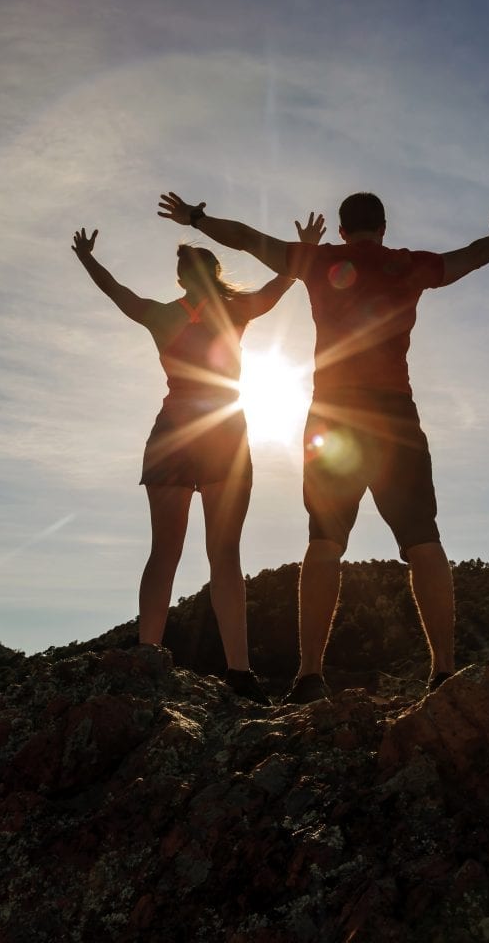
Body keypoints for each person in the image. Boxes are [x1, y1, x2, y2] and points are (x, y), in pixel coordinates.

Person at [158, 191, 489, 703]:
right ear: (382, 226)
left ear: (340, 227)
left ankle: (310, 675)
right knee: (423, 540)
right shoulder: (409, 266)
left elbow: (245, 238)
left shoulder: (322, 260)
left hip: (333, 417)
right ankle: (443, 672)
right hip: (395, 415)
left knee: (325, 542)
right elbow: (469, 258)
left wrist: (197, 218)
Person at [70, 218, 324, 704]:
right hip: (223, 435)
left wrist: (87, 259)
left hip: (174, 433)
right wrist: (304, 250)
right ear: (214, 273)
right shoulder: (236, 310)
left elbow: (117, 292)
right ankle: (240, 673)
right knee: (224, 555)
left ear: (184, 279)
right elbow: (280, 285)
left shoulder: (164, 315)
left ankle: (147, 658)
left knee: (164, 553)